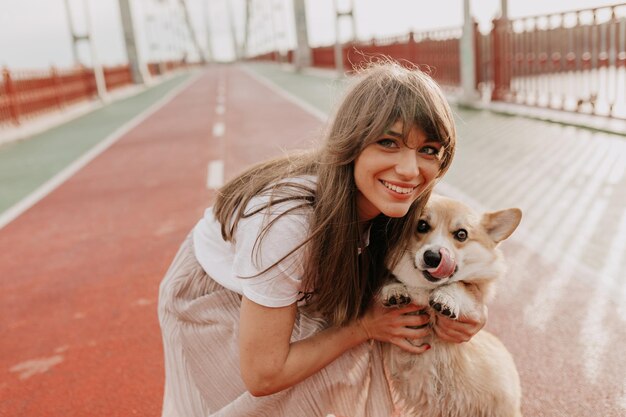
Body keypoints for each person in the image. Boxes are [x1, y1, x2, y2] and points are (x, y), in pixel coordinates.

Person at [157, 59, 487, 417]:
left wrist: (472, 308)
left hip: (298, 283)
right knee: (309, 374)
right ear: (351, 143)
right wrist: (361, 326)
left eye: (429, 150)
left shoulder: (408, 205)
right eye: (388, 142)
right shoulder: (289, 226)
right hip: (215, 295)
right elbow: (263, 374)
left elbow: (448, 266)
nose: (410, 171)